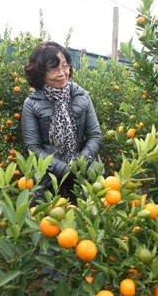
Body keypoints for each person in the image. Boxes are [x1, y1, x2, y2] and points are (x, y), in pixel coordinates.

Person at [21, 41, 102, 203]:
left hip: (85, 176)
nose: (62, 73)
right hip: (47, 179)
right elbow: (32, 147)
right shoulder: (31, 104)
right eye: (54, 69)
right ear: (40, 72)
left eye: (65, 66)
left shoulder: (82, 96)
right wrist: (64, 169)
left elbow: (95, 136)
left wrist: (80, 164)